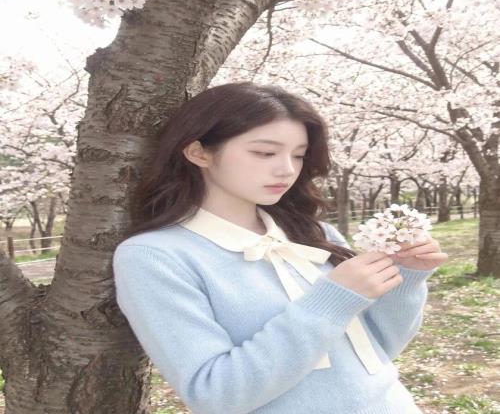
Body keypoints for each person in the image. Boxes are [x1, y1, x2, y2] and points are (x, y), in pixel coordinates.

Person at [113, 82, 448, 414]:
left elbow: (378, 349)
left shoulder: (314, 234)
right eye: (264, 153)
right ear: (199, 152)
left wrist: (407, 278)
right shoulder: (155, 257)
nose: (287, 169)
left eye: (298, 155)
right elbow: (214, 395)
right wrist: (331, 300)